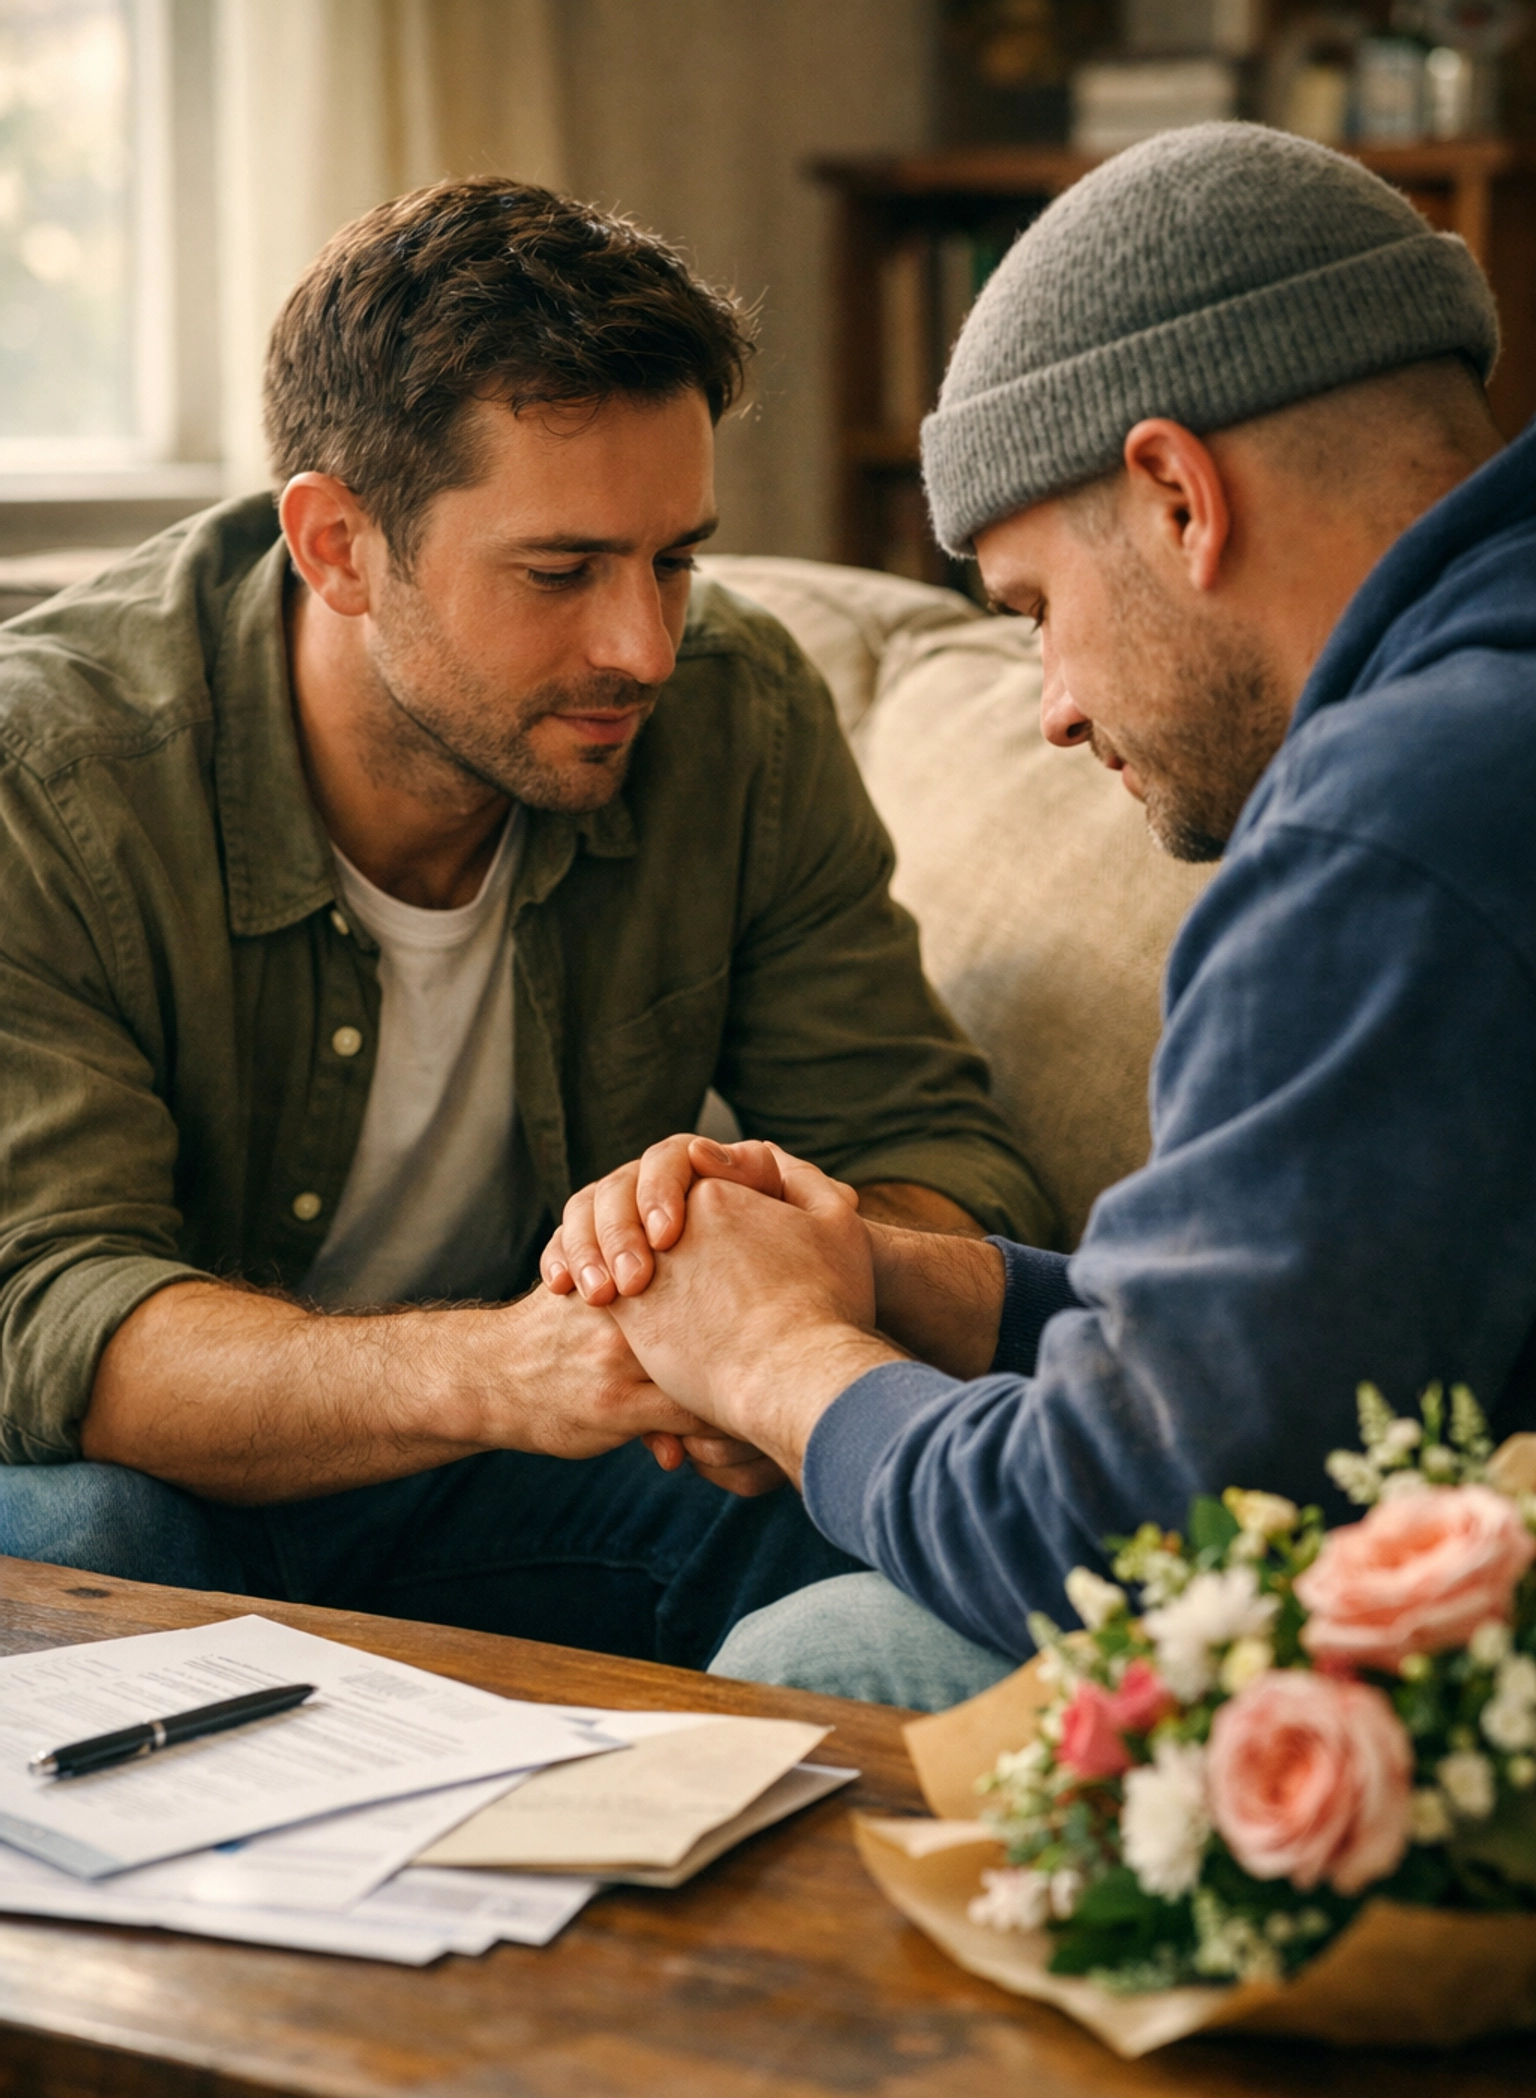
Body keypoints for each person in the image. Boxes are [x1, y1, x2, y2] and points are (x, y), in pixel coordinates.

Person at [543, 123, 1536, 1707]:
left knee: (822, 1662)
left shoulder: (1388, 825)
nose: (1055, 711)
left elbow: (1137, 1517)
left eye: (1033, 613)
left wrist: (779, 1367)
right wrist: (888, 1276)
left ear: (1176, 497)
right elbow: (1288, 1340)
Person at [0, 178, 1048, 1668]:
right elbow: (52, 1312)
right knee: (105, 1545)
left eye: (675, 557)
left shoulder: (737, 715)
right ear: (336, 546)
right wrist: (512, 1370)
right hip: (163, 1482)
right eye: (560, 572)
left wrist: (775, 1280)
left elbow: (942, 1158)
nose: (643, 645)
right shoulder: (47, 776)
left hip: (510, 1478)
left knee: (899, 1508)